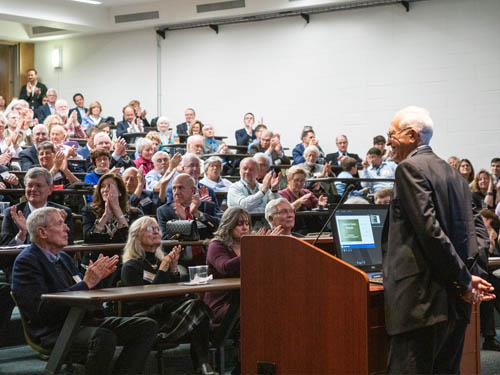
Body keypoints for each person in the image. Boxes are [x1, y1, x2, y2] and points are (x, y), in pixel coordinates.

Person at [383, 105, 495, 374]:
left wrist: (466, 280)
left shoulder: (409, 169)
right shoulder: (453, 173)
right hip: (453, 305)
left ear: (412, 135)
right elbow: (478, 231)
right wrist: (468, 275)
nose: (387, 141)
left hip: (420, 306)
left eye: (391, 134)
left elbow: (430, 233)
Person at [11, 207, 158, 375]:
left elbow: (83, 289)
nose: (67, 228)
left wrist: (97, 280)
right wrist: (88, 282)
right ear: (42, 232)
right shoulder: (26, 262)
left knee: (146, 326)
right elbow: (40, 311)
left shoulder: (64, 258)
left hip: (83, 320)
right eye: (60, 224)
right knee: (103, 337)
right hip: (55, 330)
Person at [120, 217, 216, 375]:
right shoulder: (130, 266)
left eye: (157, 228)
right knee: (197, 308)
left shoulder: (160, 261)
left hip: (166, 312)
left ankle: (203, 364)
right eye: (150, 229)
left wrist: (173, 270)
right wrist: (164, 269)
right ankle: (204, 364)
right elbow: (144, 299)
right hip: (145, 316)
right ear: (136, 236)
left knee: (196, 306)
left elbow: (173, 294)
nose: (156, 231)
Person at [0, 167, 73, 246]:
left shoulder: (62, 213)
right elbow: (5, 252)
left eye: (39, 185)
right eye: (30, 185)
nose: (33, 189)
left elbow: (69, 250)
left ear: (50, 189)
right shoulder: (12, 213)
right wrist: (22, 233)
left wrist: (57, 228)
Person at [82, 173, 142, 244]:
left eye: (110, 186)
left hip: (123, 253)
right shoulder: (89, 210)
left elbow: (132, 240)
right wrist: (105, 216)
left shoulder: (134, 212)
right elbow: (88, 239)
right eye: (102, 186)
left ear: (120, 192)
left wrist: (117, 209)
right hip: (98, 253)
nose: (105, 190)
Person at [157, 173, 219, 241]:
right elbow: (165, 238)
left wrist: (197, 214)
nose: (176, 192)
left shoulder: (207, 206)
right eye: (174, 188)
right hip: (179, 250)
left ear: (192, 190)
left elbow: (217, 229)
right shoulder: (164, 211)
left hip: (204, 250)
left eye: (180, 188)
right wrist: (183, 222)